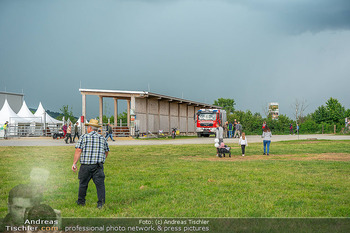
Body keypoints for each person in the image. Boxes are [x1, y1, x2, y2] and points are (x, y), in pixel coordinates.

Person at [72, 119, 110, 209]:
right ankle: (101, 203)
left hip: (86, 166)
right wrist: (102, 159)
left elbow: (78, 150)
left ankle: (81, 202)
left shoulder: (84, 137)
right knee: (100, 185)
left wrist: (74, 163)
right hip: (98, 166)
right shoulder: (102, 138)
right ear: (96, 129)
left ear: (89, 128)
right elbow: (106, 151)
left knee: (83, 184)